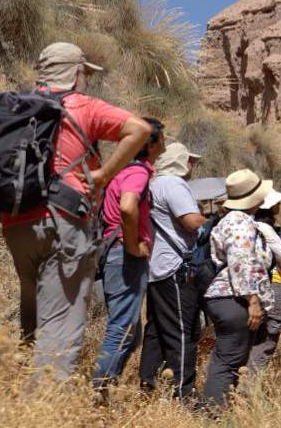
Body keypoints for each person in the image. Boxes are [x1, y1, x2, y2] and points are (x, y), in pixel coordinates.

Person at [0, 42, 151, 380]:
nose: (86, 79)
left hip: (15, 224)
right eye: (85, 73)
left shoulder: (9, 108)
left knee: (33, 309)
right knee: (61, 322)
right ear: (76, 73)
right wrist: (102, 175)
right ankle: (45, 404)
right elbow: (139, 129)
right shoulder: (83, 106)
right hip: (64, 222)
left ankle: (22, 378)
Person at [93, 116, 166, 391]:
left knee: (130, 333)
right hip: (125, 256)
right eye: (163, 137)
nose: (165, 141)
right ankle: (96, 393)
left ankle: (104, 388)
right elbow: (127, 207)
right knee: (121, 330)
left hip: (115, 254)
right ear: (151, 144)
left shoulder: (122, 170)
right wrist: (134, 244)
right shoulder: (137, 172)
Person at [200, 169, 281, 409]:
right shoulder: (240, 223)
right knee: (228, 361)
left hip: (229, 297)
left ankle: (221, 411)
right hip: (235, 299)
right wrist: (253, 301)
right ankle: (214, 415)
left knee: (230, 359)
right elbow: (241, 261)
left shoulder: (235, 221)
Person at [139, 141, 207, 400]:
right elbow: (190, 223)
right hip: (176, 269)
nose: (191, 165)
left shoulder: (153, 185)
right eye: (188, 159)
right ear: (178, 161)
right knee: (182, 332)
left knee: (156, 331)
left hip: (156, 269)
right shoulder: (173, 184)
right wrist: (207, 218)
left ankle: (148, 388)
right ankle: (184, 394)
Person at [248, 187, 281, 372]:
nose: (279, 205)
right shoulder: (265, 227)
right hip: (274, 282)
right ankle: (251, 381)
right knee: (271, 328)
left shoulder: (253, 225)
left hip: (258, 283)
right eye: (277, 202)